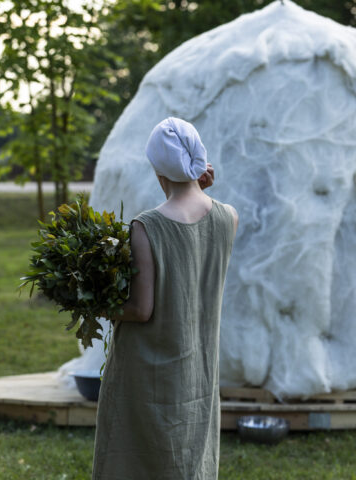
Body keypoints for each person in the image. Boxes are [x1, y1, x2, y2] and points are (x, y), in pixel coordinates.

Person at [92, 117, 238, 479]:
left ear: (157, 166)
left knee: (139, 460)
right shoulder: (228, 218)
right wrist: (202, 187)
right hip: (198, 371)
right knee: (188, 460)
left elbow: (141, 310)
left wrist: (96, 305)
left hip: (148, 371)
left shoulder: (146, 226)